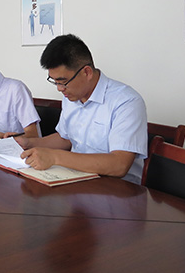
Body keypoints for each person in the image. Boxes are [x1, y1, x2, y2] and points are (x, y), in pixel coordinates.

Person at [17, 34, 148, 184]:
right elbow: (65, 139)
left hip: (116, 189)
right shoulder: (71, 96)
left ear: (87, 72)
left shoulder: (126, 102)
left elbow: (119, 165)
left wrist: (54, 157)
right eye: (55, 82)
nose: (59, 89)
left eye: (63, 81)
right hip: (76, 180)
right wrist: (29, 143)